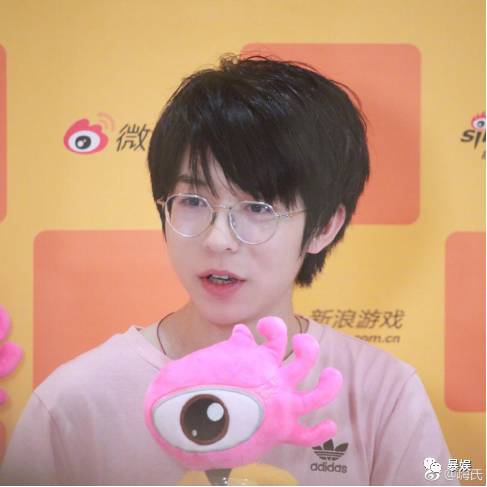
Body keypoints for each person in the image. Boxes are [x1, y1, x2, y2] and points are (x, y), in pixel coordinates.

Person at [0, 54, 456, 486]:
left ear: (323, 226)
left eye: (257, 207)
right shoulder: (75, 402)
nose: (218, 239)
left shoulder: (383, 393)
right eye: (193, 201)